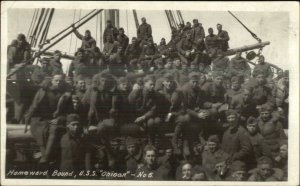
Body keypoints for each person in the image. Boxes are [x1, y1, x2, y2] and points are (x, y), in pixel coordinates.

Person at [25, 72, 72, 164]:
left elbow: (69, 112)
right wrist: (27, 119)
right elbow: (34, 105)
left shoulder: (66, 94)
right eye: (56, 80)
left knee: (54, 129)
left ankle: (46, 157)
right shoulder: (43, 91)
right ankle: (45, 156)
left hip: (57, 119)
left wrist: (60, 118)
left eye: (60, 81)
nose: (58, 82)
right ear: (51, 80)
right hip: (40, 117)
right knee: (40, 130)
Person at [128, 75, 162, 145]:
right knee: (150, 122)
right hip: (136, 117)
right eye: (151, 84)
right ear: (145, 83)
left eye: (154, 84)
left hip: (147, 116)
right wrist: (137, 120)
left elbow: (154, 109)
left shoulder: (155, 94)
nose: (153, 86)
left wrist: (144, 117)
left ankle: (151, 143)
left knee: (151, 122)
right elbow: (130, 107)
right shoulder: (136, 93)